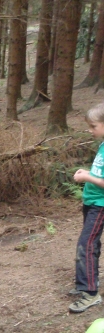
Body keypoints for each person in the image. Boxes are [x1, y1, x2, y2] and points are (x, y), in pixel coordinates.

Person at [69, 102, 104, 313]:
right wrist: (88, 173)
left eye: (93, 126)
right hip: (91, 202)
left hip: (100, 205)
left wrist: (87, 178)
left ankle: (90, 293)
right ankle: (87, 282)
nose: (90, 130)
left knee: (86, 245)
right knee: (91, 244)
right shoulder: (102, 145)